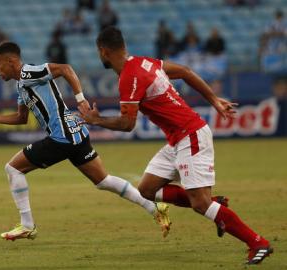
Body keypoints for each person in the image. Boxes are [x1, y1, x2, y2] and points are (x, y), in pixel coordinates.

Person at [79, 26, 273, 265]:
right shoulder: (145, 62)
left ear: (103, 51)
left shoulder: (129, 76)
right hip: (178, 138)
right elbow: (185, 71)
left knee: (201, 204)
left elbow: (128, 124)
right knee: (147, 189)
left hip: (190, 135)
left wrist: (96, 120)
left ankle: (257, 243)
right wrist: (213, 100)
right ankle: (216, 204)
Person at [0, 41, 171, 241]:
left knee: (13, 169)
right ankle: (154, 208)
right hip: (75, 133)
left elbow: (65, 68)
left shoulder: (29, 73)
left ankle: (27, 225)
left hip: (62, 137)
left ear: (11, 61)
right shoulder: (21, 85)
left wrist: (80, 98)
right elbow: (21, 118)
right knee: (103, 181)